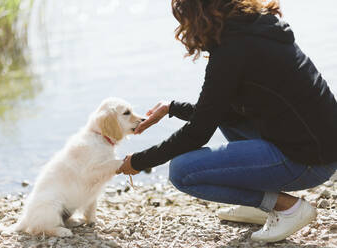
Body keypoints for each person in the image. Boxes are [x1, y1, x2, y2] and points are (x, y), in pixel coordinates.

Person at [116, 0, 337, 243]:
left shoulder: (232, 50)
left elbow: (197, 133)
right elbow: (220, 113)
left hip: (310, 160)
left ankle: (286, 207)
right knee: (223, 118)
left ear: (198, 15)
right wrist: (172, 108)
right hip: (320, 143)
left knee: (181, 172)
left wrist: (139, 161)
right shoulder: (256, 25)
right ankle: (258, 205)